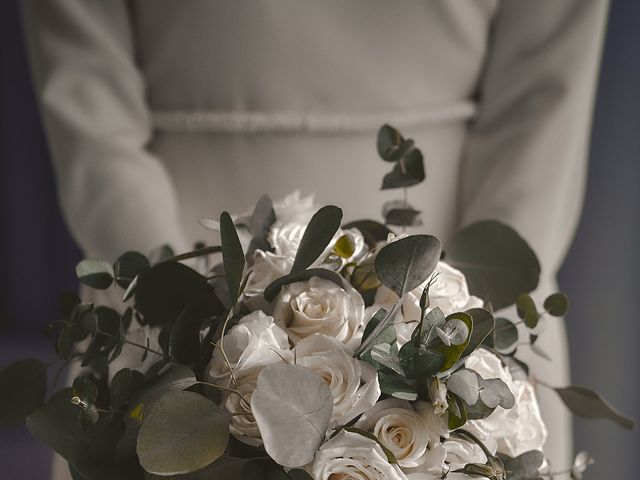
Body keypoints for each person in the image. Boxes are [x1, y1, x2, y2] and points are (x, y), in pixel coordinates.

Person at [21, 1, 609, 478]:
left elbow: (542, 98)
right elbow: (89, 99)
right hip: (165, 276)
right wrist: (173, 309)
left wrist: (454, 334)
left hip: (457, 290)